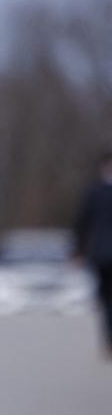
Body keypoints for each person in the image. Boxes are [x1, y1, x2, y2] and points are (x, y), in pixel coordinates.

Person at [73, 150, 112, 359]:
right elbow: (82, 223)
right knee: (106, 300)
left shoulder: (94, 192)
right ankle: (108, 341)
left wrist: (77, 251)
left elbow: (81, 223)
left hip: (101, 254)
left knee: (106, 300)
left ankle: (108, 342)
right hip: (103, 256)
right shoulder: (94, 192)